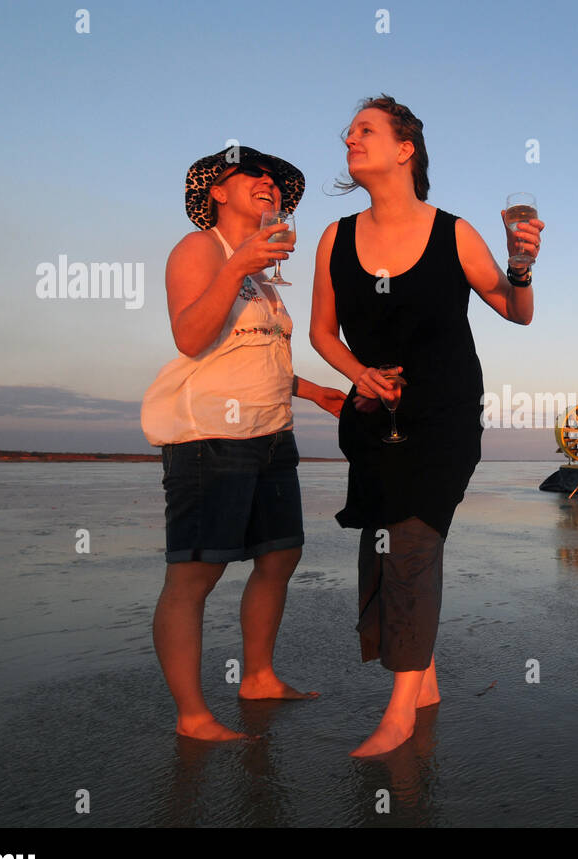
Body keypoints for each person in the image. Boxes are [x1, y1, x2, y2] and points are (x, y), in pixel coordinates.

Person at [310, 96, 543, 757]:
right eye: (348, 130)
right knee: (382, 542)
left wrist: (521, 268)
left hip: (444, 417)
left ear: (405, 147)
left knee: (412, 537)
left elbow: (515, 311)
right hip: (373, 418)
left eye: (365, 130)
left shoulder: (454, 232)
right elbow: (322, 332)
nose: (349, 138)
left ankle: (399, 714)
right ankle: (426, 678)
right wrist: (359, 372)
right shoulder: (336, 237)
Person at [141, 146, 348, 740]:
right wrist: (236, 266)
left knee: (280, 556)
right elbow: (189, 336)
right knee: (195, 575)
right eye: (251, 175)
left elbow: (253, 353)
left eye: (274, 179)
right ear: (216, 193)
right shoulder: (200, 249)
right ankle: (192, 716)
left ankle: (258, 675)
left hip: (271, 433)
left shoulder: (261, 278)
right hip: (210, 437)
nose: (267, 183)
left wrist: (314, 392)